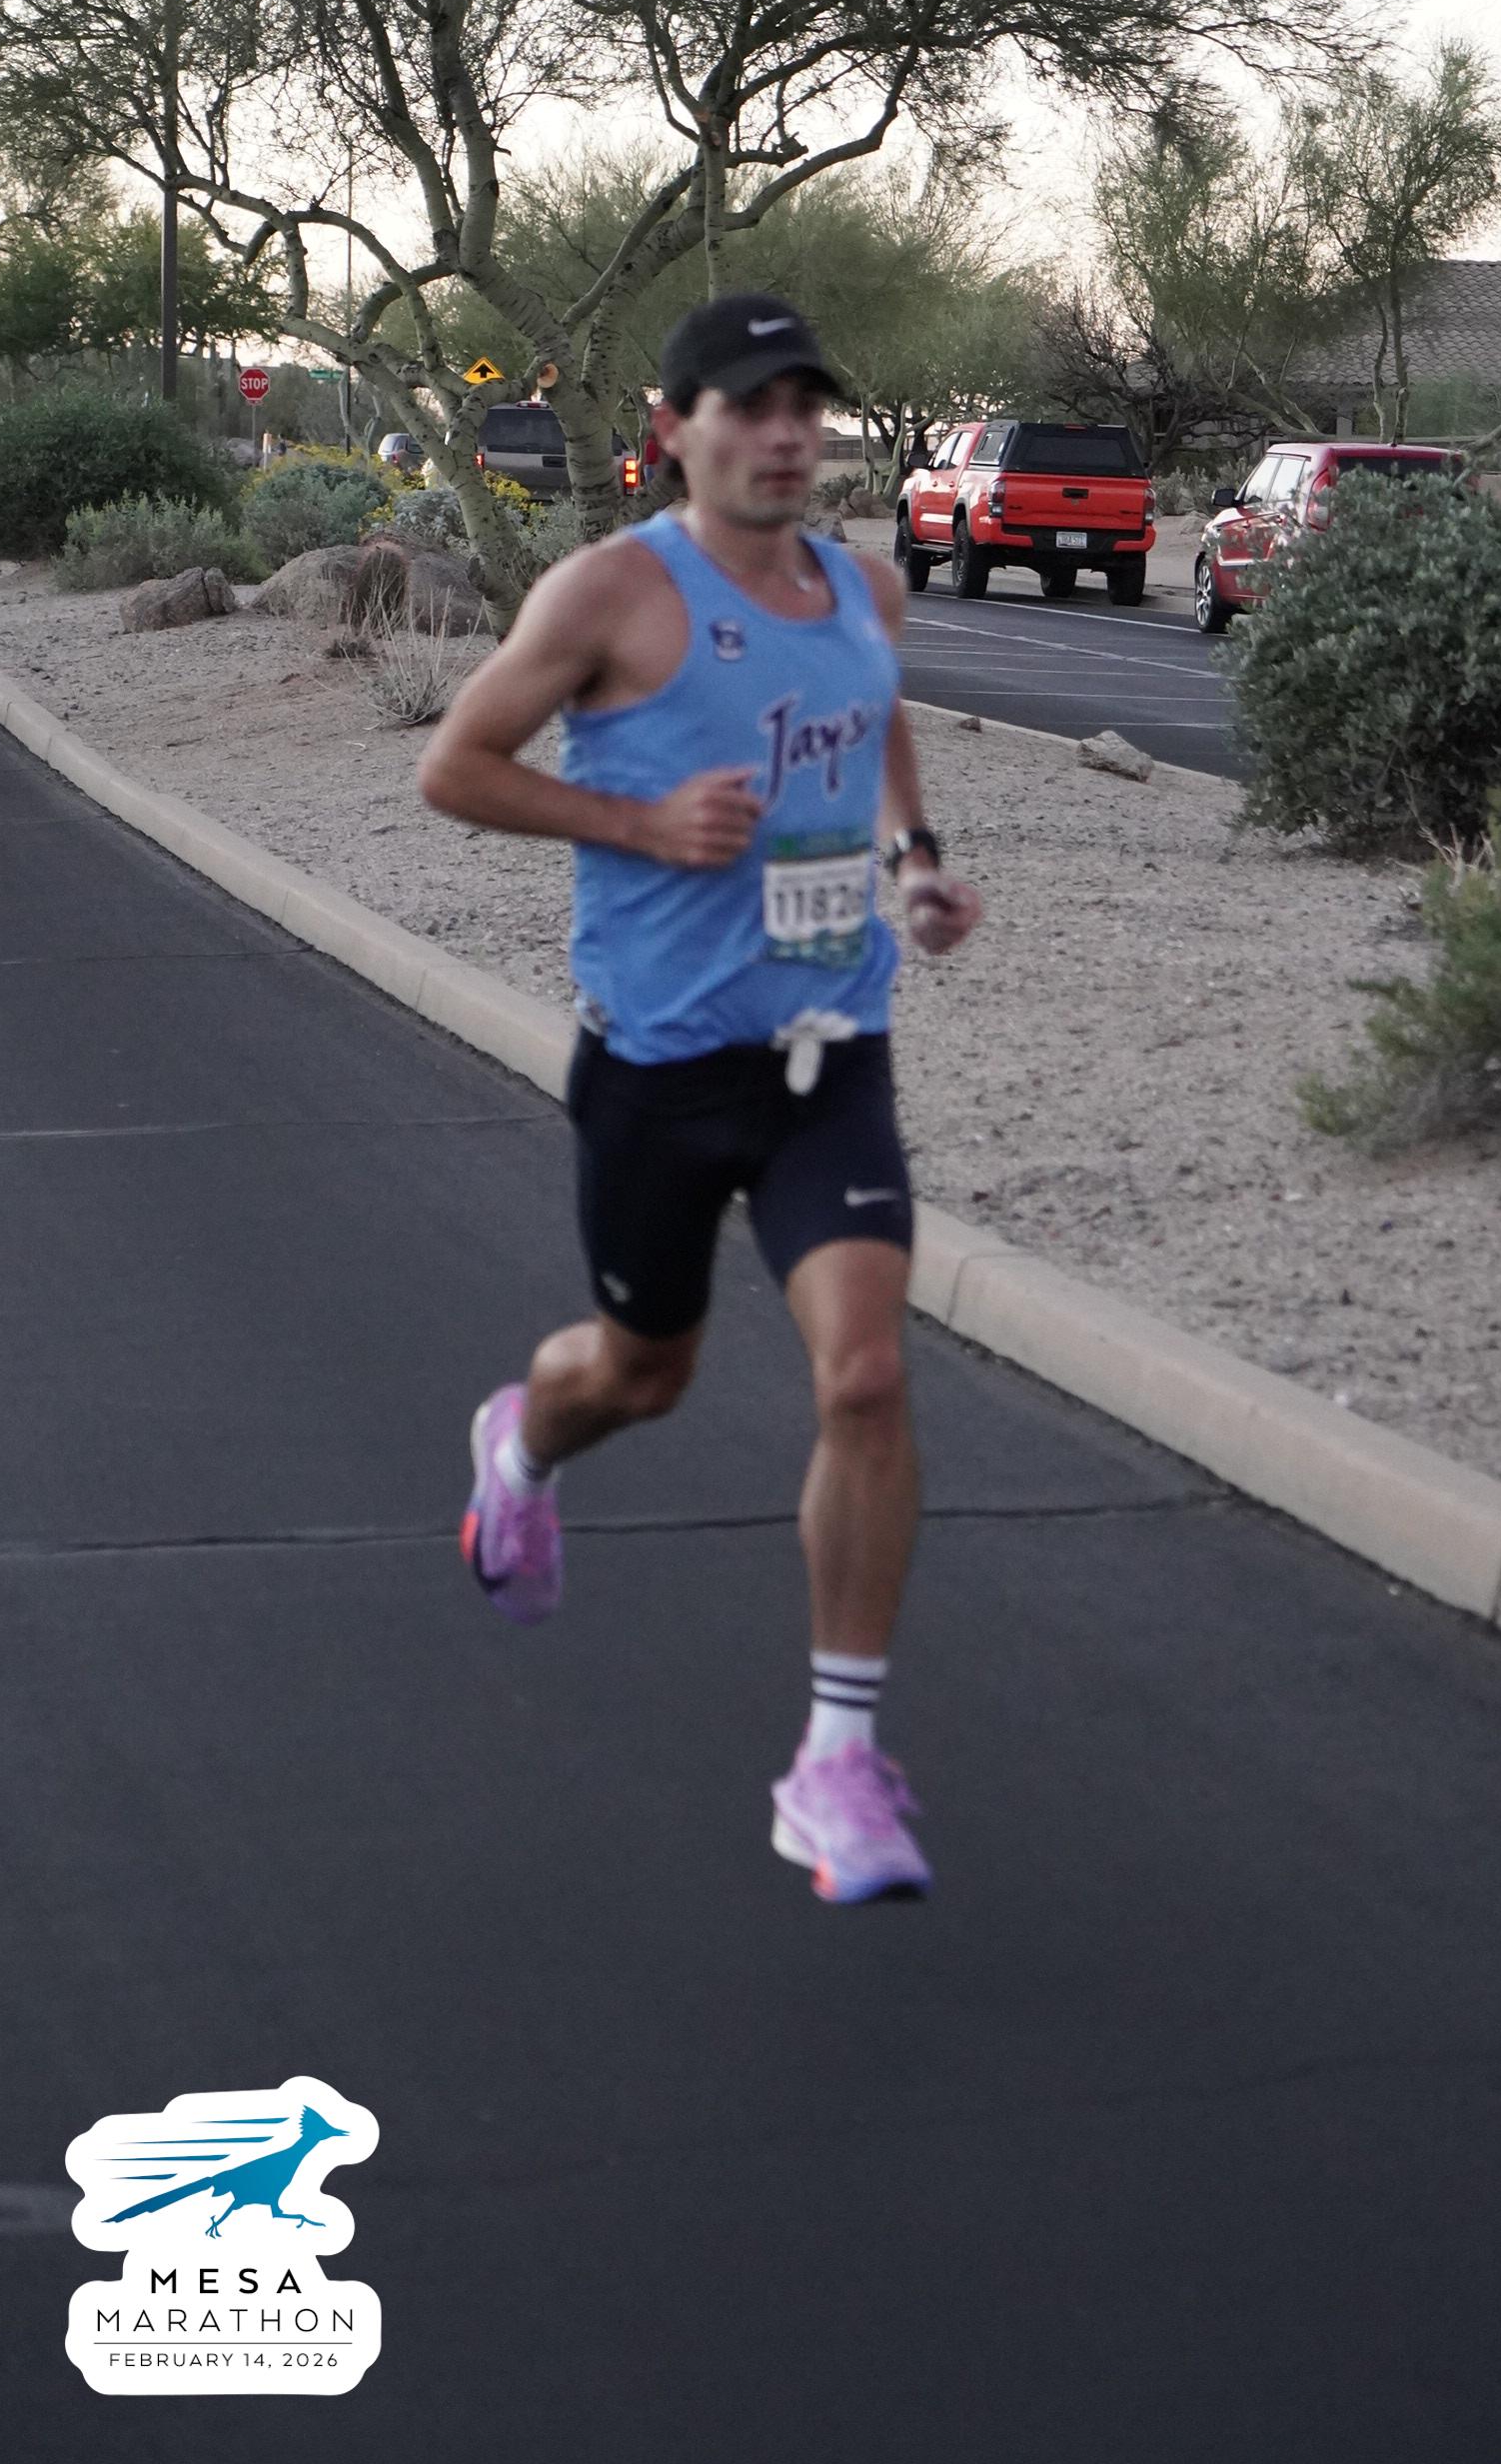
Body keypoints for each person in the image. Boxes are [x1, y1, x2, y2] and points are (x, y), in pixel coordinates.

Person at [418, 294, 982, 1903]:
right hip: (659, 1066)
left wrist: (915, 864)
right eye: (751, 406)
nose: (786, 434)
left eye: (807, 405)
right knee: (642, 1373)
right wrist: (642, 823)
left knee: (865, 1379)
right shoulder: (610, 590)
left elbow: (872, 715)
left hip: (826, 1051)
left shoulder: (864, 589)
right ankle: (521, 1449)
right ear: (676, 430)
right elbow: (454, 767)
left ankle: (836, 1761)